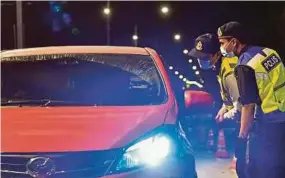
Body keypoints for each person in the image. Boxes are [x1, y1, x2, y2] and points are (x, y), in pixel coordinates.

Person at [217, 21, 285, 178]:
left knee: (260, 171)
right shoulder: (270, 52)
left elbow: (248, 106)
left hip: (267, 126)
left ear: (234, 42)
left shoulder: (244, 65)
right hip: (282, 119)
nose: (222, 48)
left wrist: (241, 137)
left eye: (223, 43)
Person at [188, 33, 246, 178]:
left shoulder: (229, 71)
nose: (201, 61)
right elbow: (230, 98)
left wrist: (225, 115)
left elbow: (241, 106)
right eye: (199, 58)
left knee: (248, 167)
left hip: (256, 121)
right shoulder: (223, 67)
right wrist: (224, 107)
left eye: (204, 57)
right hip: (251, 120)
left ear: (216, 55)